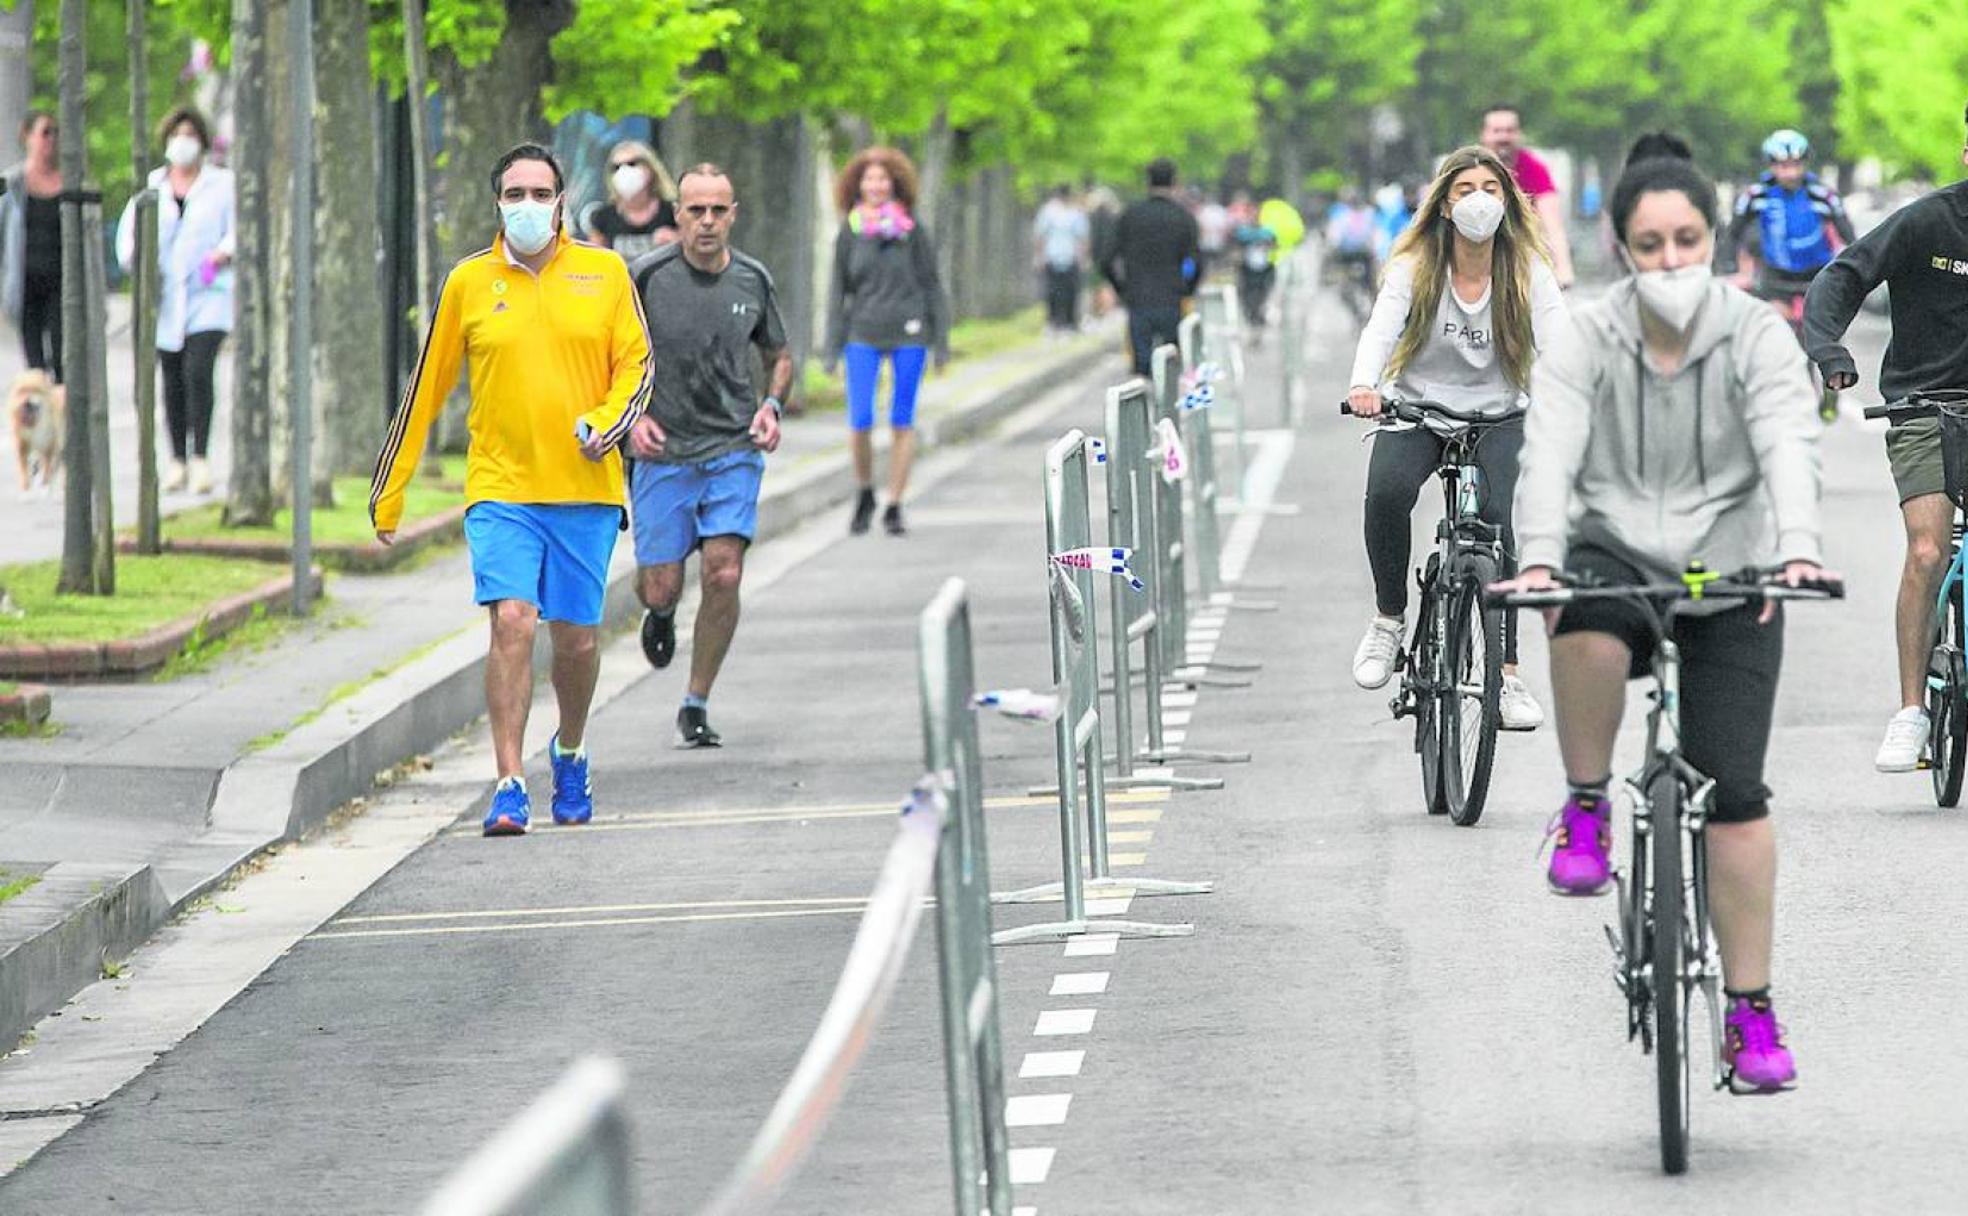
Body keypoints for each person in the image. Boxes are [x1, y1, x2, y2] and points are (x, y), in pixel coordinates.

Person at [1500, 152, 1828, 1094]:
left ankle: (1750, 1013)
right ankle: (1588, 806)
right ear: (1621, 248)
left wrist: (1797, 543)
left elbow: (1786, 439)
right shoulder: (1586, 336)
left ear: (1714, 240)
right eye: (1650, 244)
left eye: (1687, 240)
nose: (1671, 258)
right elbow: (1551, 451)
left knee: (1737, 796)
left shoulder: (1758, 334)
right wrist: (1537, 556)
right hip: (1614, 545)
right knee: (1585, 622)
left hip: (1731, 560)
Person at [369, 142, 651, 836]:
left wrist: (605, 424)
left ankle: (572, 750)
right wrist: (391, 491)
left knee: (579, 643)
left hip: (585, 487)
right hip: (501, 488)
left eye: (540, 194)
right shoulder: (468, 282)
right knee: (513, 620)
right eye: (514, 194)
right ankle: (508, 782)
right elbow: (426, 387)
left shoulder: (605, 272)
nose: (527, 206)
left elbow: (638, 368)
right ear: (497, 203)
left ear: (561, 201)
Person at [1346, 145, 1563, 732]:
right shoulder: (1414, 267)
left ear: (1508, 202)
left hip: (1498, 417)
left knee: (1496, 519)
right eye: (1464, 189)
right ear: (1443, 205)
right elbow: (1380, 331)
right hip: (1418, 409)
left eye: (1491, 190)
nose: (1478, 201)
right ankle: (1390, 621)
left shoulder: (1526, 270)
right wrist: (1365, 384)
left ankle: (1508, 676)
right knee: (1387, 493)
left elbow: (1562, 345)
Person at [1803, 103, 1968, 773]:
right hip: (1924, 406)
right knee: (1928, 549)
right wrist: (1828, 348)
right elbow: (1843, 276)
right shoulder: (1928, 221)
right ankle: (1911, 713)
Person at [626, 164, 792, 749]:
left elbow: (778, 354)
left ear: (733, 215)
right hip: (663, 449)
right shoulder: (644, 277)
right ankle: (662, 614)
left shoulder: (752, 279)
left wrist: (772, 404)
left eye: (718, 210)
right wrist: (632, 418)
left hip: (731, 447)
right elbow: (606, 355)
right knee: (661, 586)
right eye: (696, 210)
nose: (707, 222)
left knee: (724, 570)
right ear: (678, 215)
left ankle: (695, 702)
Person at [824, 145, 949, 538]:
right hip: (861, 329)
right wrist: (831, 347)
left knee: (901, 419)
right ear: (857, 186)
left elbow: (932, 285)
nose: (876, 185)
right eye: (869, 179)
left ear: (895, 184)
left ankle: (895, 502)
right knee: (860, 420)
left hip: (909, 330)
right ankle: (865, 491)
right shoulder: (850, 231)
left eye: (883, 179)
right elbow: (836, 290)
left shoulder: (912, 231)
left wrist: (940, 340)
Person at [116, 107, 233, 495]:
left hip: (208, 294)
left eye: (190, 134)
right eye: (176, 134)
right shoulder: (151, 187)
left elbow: (239, 228)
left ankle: (200, 457)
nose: (183, 142)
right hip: (164, 298)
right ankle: (176, 460)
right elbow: (128, 240)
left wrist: (222, 253)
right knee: (171, 379)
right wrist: (139, 263)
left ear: (201, 140)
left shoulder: (222, 184)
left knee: (199, 371)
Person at [1718, 130, 1855, 341]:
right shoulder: (1756, 196)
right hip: (1776, 276)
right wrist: (1728, 265)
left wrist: (1855, 267)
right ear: (1771, 165)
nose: (1790, 174)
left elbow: (1848, 235)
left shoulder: (1824, 196)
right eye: (1783, 166)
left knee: (1827, 337)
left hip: (1817, 275)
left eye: (1796, 165)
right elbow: (1733, 233)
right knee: (1774, 334)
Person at [1102, 158, 1200, 376]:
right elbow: (1196, 262)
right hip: (1171, 298)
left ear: (1148, 182)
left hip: (1138, 298)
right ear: (1175, 182)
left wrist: (1122, 289)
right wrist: (1187, 289)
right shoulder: (1183, 218)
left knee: (1142, 369)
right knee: (1171, 368)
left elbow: (1107, 260)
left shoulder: (1130, 216)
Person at [1480, 104, 1575, 289]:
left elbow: (1553, 224)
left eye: (1510, 130)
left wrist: (1563, 268)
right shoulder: (1470, 168)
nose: (1503, 137)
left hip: (1520, 259)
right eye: (1497, 131)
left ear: (1519, 134)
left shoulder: (1535, 169)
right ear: (1484, 134)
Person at [0, 111, 63, 380]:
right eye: (44, 132)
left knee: (62, 352)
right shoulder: (11, 182)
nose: (51, 139)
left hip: (61, 282)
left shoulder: (70, 183)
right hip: (25, 283)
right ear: (28, 136)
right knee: (34, 363)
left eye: (55, 133)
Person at [583, 138, 678, 260]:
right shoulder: (603, 218)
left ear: (650, 169)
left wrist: (676, 241)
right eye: (616, 167)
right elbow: (593, 261)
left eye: (632, 164)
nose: (624, 171)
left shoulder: (672, 212)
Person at [1032, 183, 1089, 334]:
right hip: (1053, 256)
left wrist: (1082, 258)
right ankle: (1054, 322)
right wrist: (1039, 256)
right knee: (1053, 291)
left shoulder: (1075, 213)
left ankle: (1069, 323)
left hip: (1070, 256)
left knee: (1070, 291)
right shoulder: (1048, 212)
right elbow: (1041, 236)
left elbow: (1082, 238)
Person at [1196, 192, 1232, 277]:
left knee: (1211, 261)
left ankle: (1212, 275)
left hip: (1210, 241)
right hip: (1213, 241)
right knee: (1213, 261)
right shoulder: (1219, 210)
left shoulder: (1205, 210)